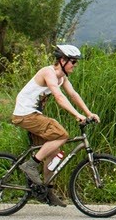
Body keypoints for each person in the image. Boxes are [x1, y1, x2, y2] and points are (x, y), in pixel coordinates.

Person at [11, 44, 99, 207]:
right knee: (61, 133)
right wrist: (76, 115)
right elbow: (59, 97)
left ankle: (47, 192)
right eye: (73, 61)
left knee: (54, 152)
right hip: (25, 114)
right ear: (62, 60)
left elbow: (73, 95)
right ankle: (30, 165)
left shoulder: (62, 78)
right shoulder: (48, 73)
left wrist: (88, 113)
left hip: (34, 115)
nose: (75, 65)